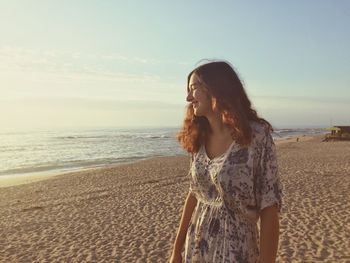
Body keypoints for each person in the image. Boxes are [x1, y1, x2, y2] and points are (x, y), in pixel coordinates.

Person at [169, 61, 282, 263]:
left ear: (216, 89)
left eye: (194, 88)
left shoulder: (256, 136)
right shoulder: (199, 137)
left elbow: (269, 206)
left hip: (236, 250)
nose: (188, 97)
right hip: (196, 247)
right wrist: (176, 251)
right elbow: (194, 194)